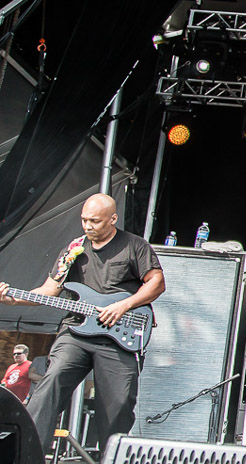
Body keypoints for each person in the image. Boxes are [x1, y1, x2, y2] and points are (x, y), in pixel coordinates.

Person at [0, 193, 165, 452]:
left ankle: (110, 457)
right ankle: (28, 453)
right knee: (51, 382)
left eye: (95, 221)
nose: (88, 226)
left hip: (119, 337)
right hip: (75, 332)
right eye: (84, 220)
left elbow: (156, 283)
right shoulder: (74, 248)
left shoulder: (134, 246)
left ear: (113, 219)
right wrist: (15, 300)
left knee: (117, 406)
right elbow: (50, 290)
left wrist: (123, 305)